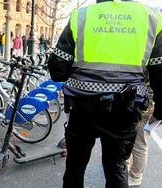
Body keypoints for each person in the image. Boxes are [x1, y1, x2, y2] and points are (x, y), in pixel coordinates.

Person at [47, 0, 162, 187]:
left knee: (75, 165)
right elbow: (160, 72)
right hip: (125, 107)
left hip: (83, 106)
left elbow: (57, 68)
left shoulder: (81, 16)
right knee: (116, 167)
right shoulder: (152, 18)